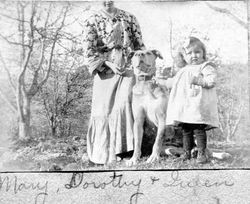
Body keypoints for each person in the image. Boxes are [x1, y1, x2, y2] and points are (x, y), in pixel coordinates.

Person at [82, 1, 145, 164]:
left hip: (127, 70)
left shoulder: (129, 18)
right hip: (104, 71)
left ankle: (125, 151)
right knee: (103, 111)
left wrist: (138, 64)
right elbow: (88, 51)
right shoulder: (92, 19)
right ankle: (104, 152)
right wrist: (108, 64)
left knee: (124, 105)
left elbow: (140, 46)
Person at [166, 36, 219, 164]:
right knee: (186, 130)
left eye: (197, 52)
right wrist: (163, 81)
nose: (193, 55)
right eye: (189, 53)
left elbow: (211, 81)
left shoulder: (205, 66)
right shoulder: (183, 70)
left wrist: (198, 80)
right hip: (185, 106)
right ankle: (186, 152)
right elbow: (174, 83)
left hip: (198, 105)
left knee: (198, 129)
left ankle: (201, 152)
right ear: (183, 56)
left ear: (203, 53)